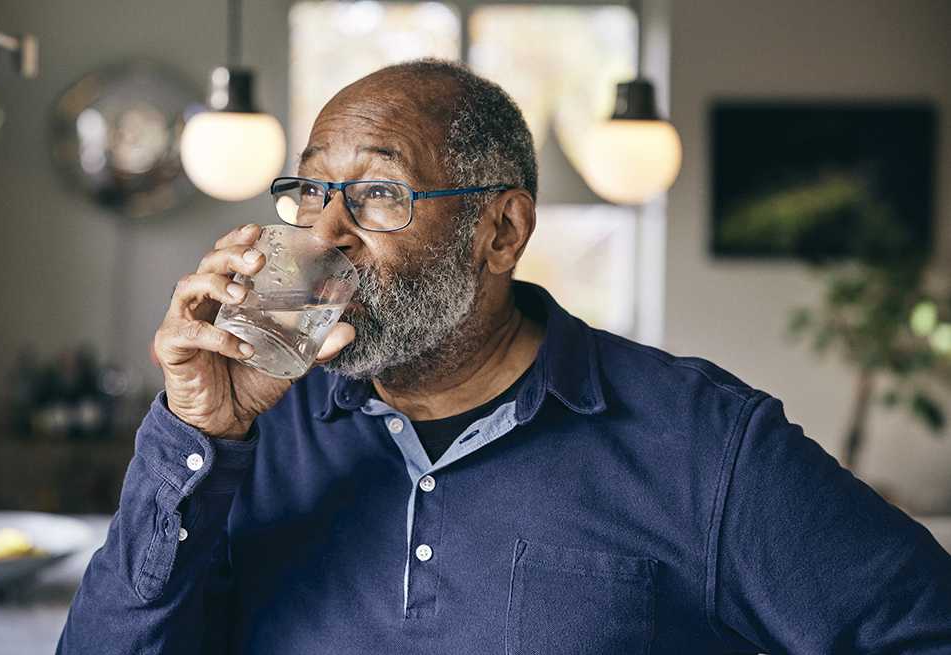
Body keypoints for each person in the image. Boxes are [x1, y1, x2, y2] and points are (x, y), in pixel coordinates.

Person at [58, 58, 951, 654]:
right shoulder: (247, 432)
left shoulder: (705, 445)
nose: (325, 232)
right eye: (311, 189)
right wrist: (195, 433)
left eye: (376, 193)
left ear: (502, 230)